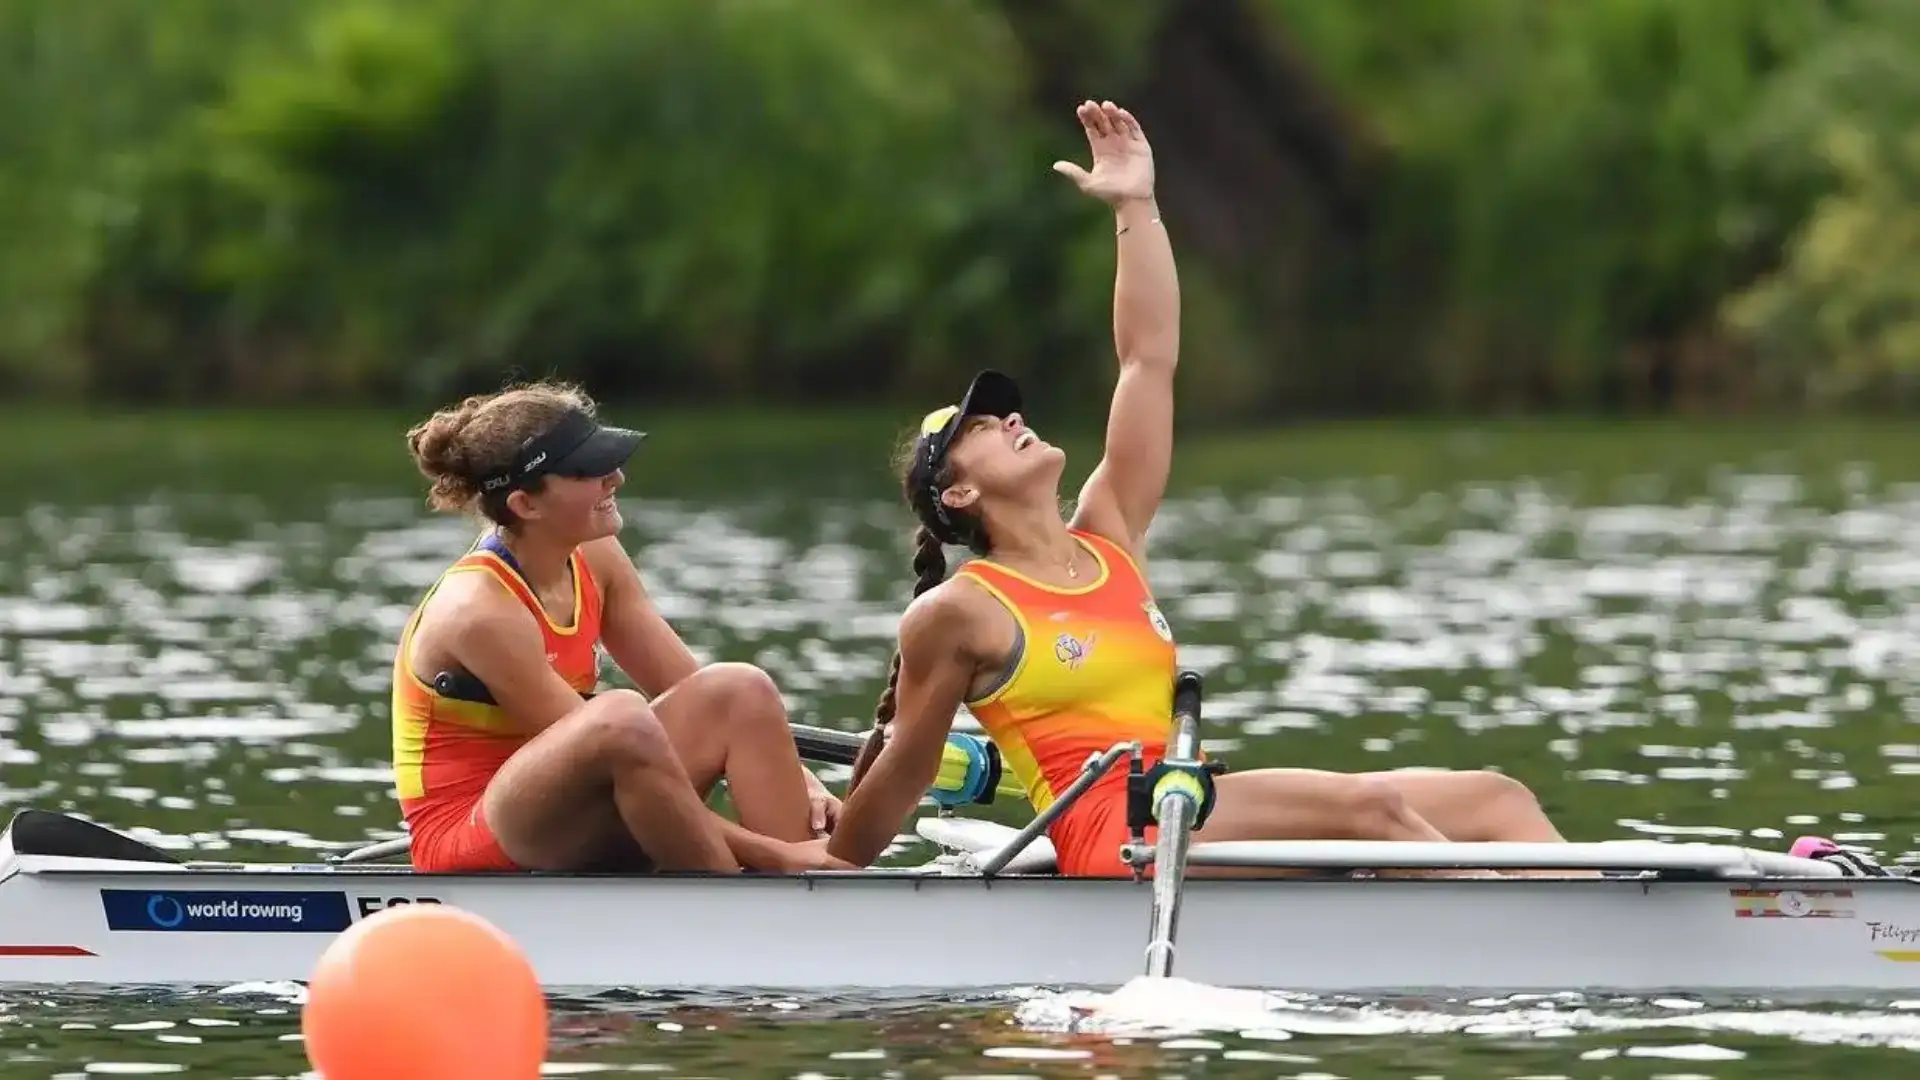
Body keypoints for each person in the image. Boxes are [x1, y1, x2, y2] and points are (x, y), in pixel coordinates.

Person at [826, 100, 1576, 878]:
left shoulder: (1110, 533)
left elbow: (1147, 360)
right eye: (979, 428)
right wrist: (828, 867)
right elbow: (907, 773)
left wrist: (1137, 207)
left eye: (1005, 409)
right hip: (1118, 836)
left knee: (1496, 797)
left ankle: (1606, 914)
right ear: (957, 497)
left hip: (1192, 800)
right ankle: (1526, 942)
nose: (1010, 417)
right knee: (1372, 813)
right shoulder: (959, 610)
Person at [392, 380, 850, 874]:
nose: (616, 478)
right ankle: (755, 888)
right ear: (526, 505)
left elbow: (684, 687)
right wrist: (773, 856)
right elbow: (618, 752)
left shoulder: (595, 556)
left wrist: (799, 778)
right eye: (589, 470)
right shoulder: (480, 611)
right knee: (621, 717)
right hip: (470, 835)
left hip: (573, 808)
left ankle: (811, 886)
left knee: (740, 690)